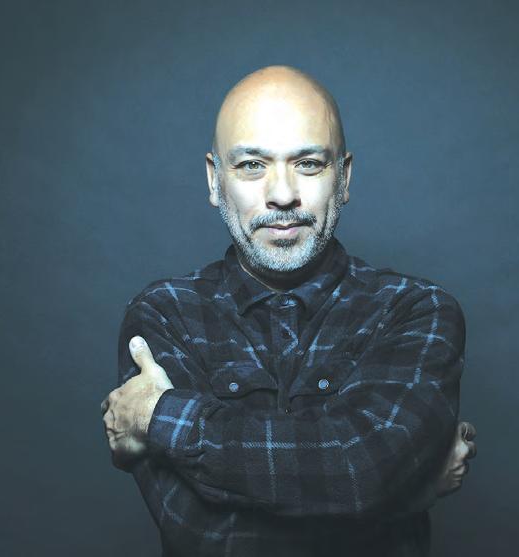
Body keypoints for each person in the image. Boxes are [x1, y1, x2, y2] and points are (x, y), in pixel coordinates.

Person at [101, 65, 477, 556]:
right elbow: (210, 539)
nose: (282, 195)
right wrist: (407, 494)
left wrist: (160, 415)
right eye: (252, 165)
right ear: (215, 181)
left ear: (344, 178)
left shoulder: (415, 311)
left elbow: (360, 468)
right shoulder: (164, 315)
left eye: (309, 164)